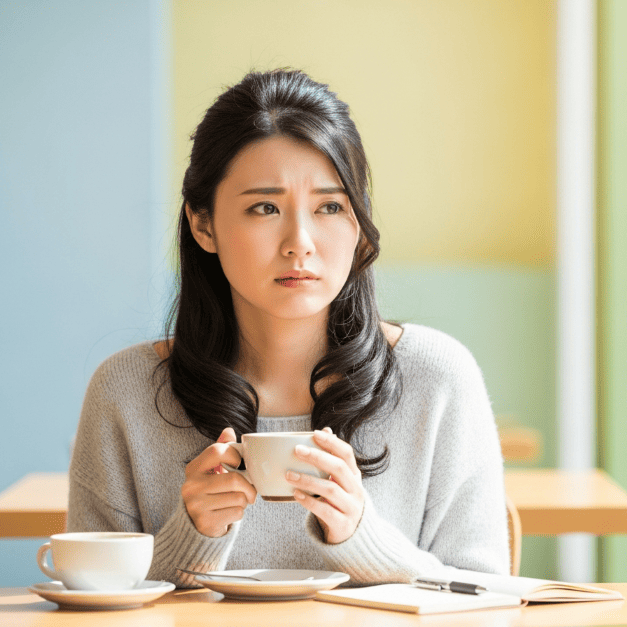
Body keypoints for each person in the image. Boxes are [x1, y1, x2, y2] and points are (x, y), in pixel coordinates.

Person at [67, 69, 509, 587]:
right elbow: (92, 603)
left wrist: (361, 536)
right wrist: (192, 537)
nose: (300, 242)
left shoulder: (437, 378)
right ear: (203, 224)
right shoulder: (126, 392)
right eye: (265, 207)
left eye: (330, 207)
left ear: (359, 223)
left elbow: (486, 597)